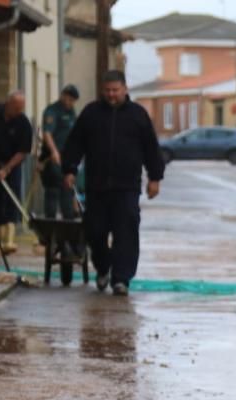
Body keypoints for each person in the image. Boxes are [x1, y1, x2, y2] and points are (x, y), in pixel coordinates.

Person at [62, 70, 164, 296]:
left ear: (125, 89)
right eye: (107, 91)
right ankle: (103, 266)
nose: (111, 95)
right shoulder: (91, 113)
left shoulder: (138, 115)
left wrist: (155, 177)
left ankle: (121, 279)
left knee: (126, 232)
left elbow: (151, 147)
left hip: (127, 186)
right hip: (96, 186)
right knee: (94, 231)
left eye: (115, 90)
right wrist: (69, 169)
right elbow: (75, 143)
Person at [0, 90, 33, 254]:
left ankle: (9, 239)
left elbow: (23, 151)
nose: (18, 112)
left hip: (12, 164)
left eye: (21, 108)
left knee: (11, 197)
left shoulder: (23, 123)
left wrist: (7, 169)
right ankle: (0, 239)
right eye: (16, 108)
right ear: (8, 104)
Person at [39, 84, 81, 257]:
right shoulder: (52, 111)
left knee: (67, 192)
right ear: (63, 95)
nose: (70, 103)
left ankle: (69, 231)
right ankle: (49, 233)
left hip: (68, 159)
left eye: (73, 100)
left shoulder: (71, 112)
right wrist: (54, 151)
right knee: (53, 191)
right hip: (52, 159)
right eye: (69, 99)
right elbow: (47, 134)